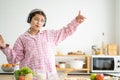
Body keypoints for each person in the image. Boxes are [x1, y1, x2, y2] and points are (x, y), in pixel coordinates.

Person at [0, 9, 85, 80]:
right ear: (30, 19)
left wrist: (76, 21)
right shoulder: (22, 39)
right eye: (36, 19)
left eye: (42, 20)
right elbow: (13, 59)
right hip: (31, 77)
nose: (39, 22)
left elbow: (66, 31)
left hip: (50, 76)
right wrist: (4, 47)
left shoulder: (49, 35)